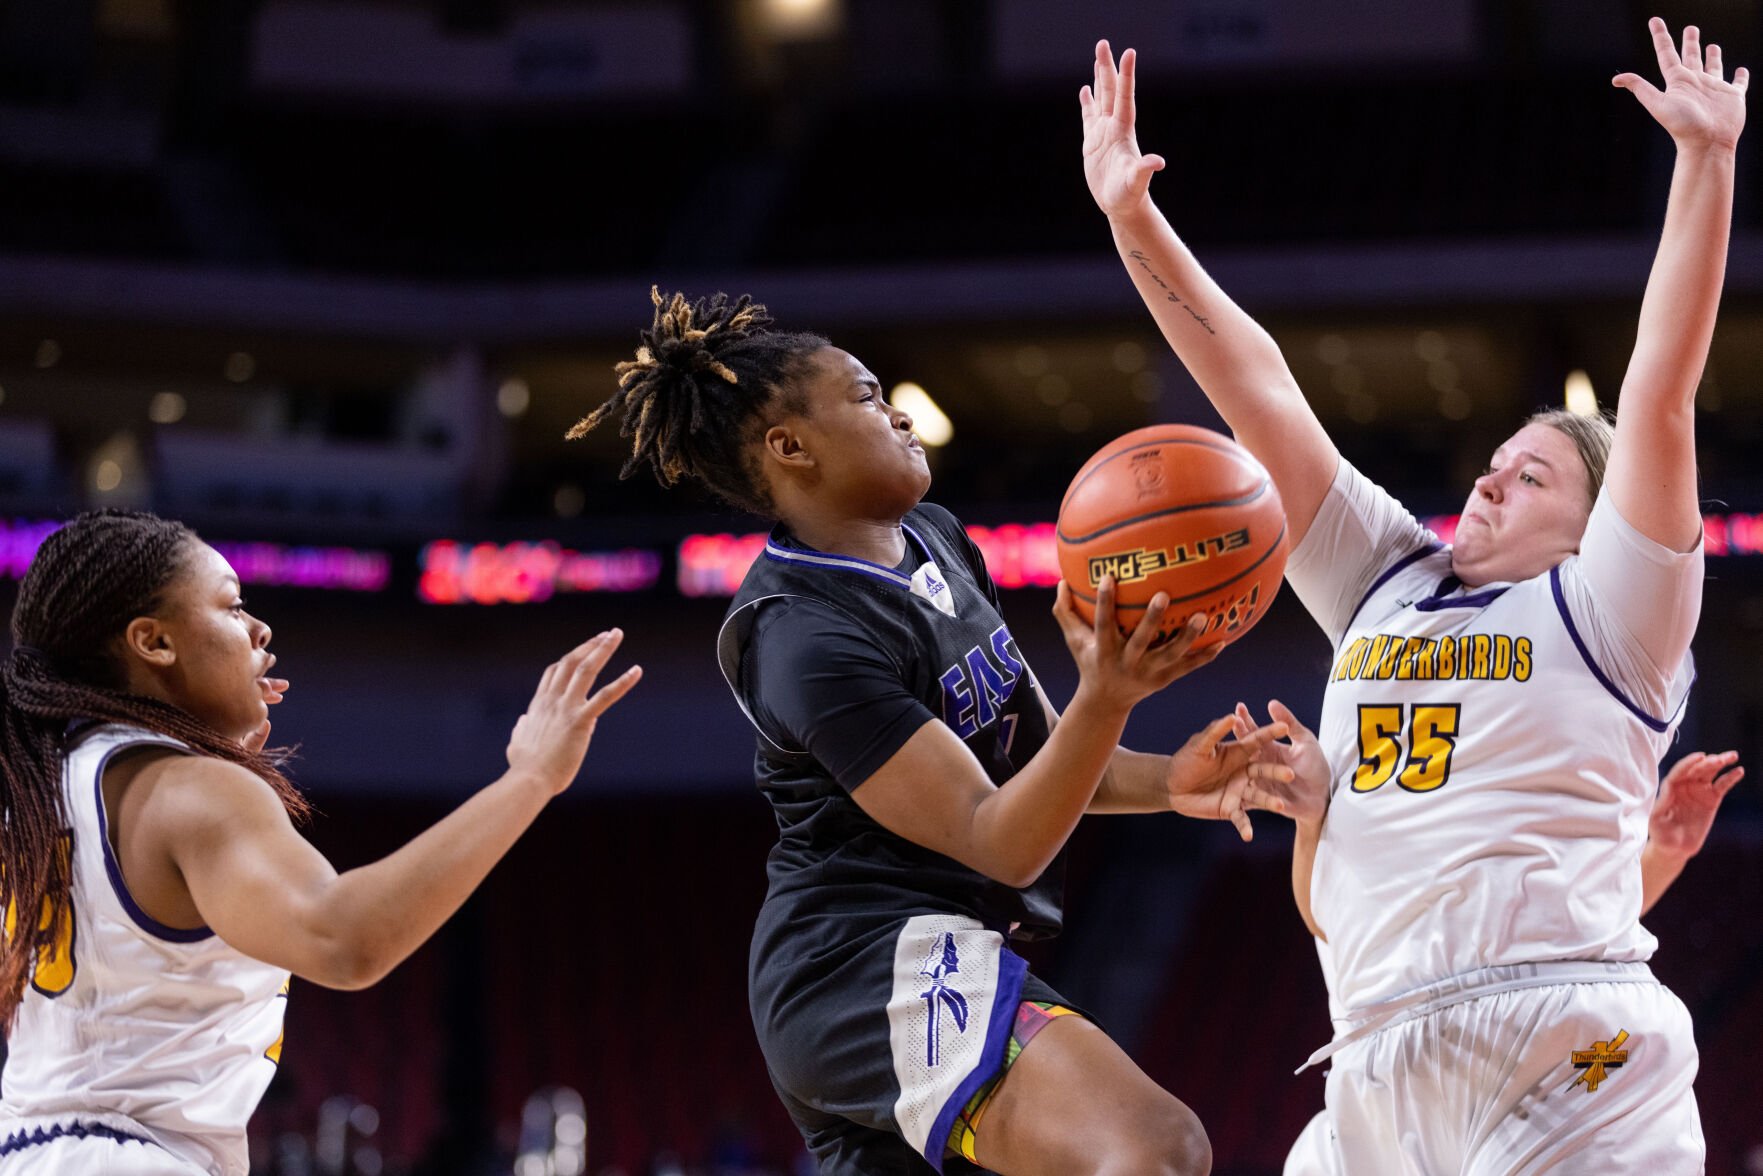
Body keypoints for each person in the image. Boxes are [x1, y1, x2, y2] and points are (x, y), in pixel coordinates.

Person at [1082, 16, 1745, 1172]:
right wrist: (1131, 218)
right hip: (1372, 1055)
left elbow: (1658, 396)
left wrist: (1703, 161)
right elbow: (1260, 396)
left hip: (1564, 1036)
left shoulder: (1611, 614)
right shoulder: (1385, 578)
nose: (1490, 476)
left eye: (1531, 472)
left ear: (1598, 528)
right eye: (1492, 458)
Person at [567, 288, 1305, 1175]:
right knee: (1153, 1147)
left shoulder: (936, 538)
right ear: (790, 447)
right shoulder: (803, 635)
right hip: (859, 963)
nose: (900, 414)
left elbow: (1031, 757)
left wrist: (1168, 781)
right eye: (870, 397)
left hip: (928, 952)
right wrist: (1106, 696)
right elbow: (1002, 840)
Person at [0, 510, 640, 1176]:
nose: (259, 629)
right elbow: (343, 939)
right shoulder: (189, 789)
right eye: (231, 606)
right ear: (154, 643)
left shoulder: (37, 799)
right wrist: (531, 779)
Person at [1272, 745, 1746, 1175]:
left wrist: (1666, 853)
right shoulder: (1367, 828)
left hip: (1515, 1070)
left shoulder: (1492, 812)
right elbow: (1323, 917)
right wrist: (1309, 822)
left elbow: (1561, 931)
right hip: (1380, 1095)